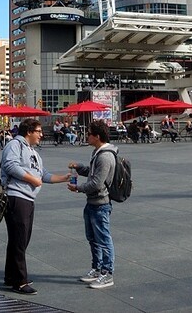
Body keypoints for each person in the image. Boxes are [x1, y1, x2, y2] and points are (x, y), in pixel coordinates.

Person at [0, 118, 70, 295]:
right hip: (16, 197)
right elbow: (10, 165)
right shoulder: (15, 145)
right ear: (29, 131)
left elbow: (43, 175)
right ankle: (20, 282)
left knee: (20, 239)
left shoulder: (33, 152)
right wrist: (31, 179)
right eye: (38, 131)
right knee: (19, 239)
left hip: (28, 199)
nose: (41, 135)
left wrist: (63, 178)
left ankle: (11, 276)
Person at [67, 120, 117, 289]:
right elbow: (92, 172)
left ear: (97, 136)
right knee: (93, 238)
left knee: (103, 238)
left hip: (101, 203)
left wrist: (78, 188)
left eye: (89, 133)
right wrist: (80, 168)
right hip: (92, 203)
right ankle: (96, 268)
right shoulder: (98, 152)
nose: (86, 136)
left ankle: (107, 273)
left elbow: (96, 182)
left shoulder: (105, 156)